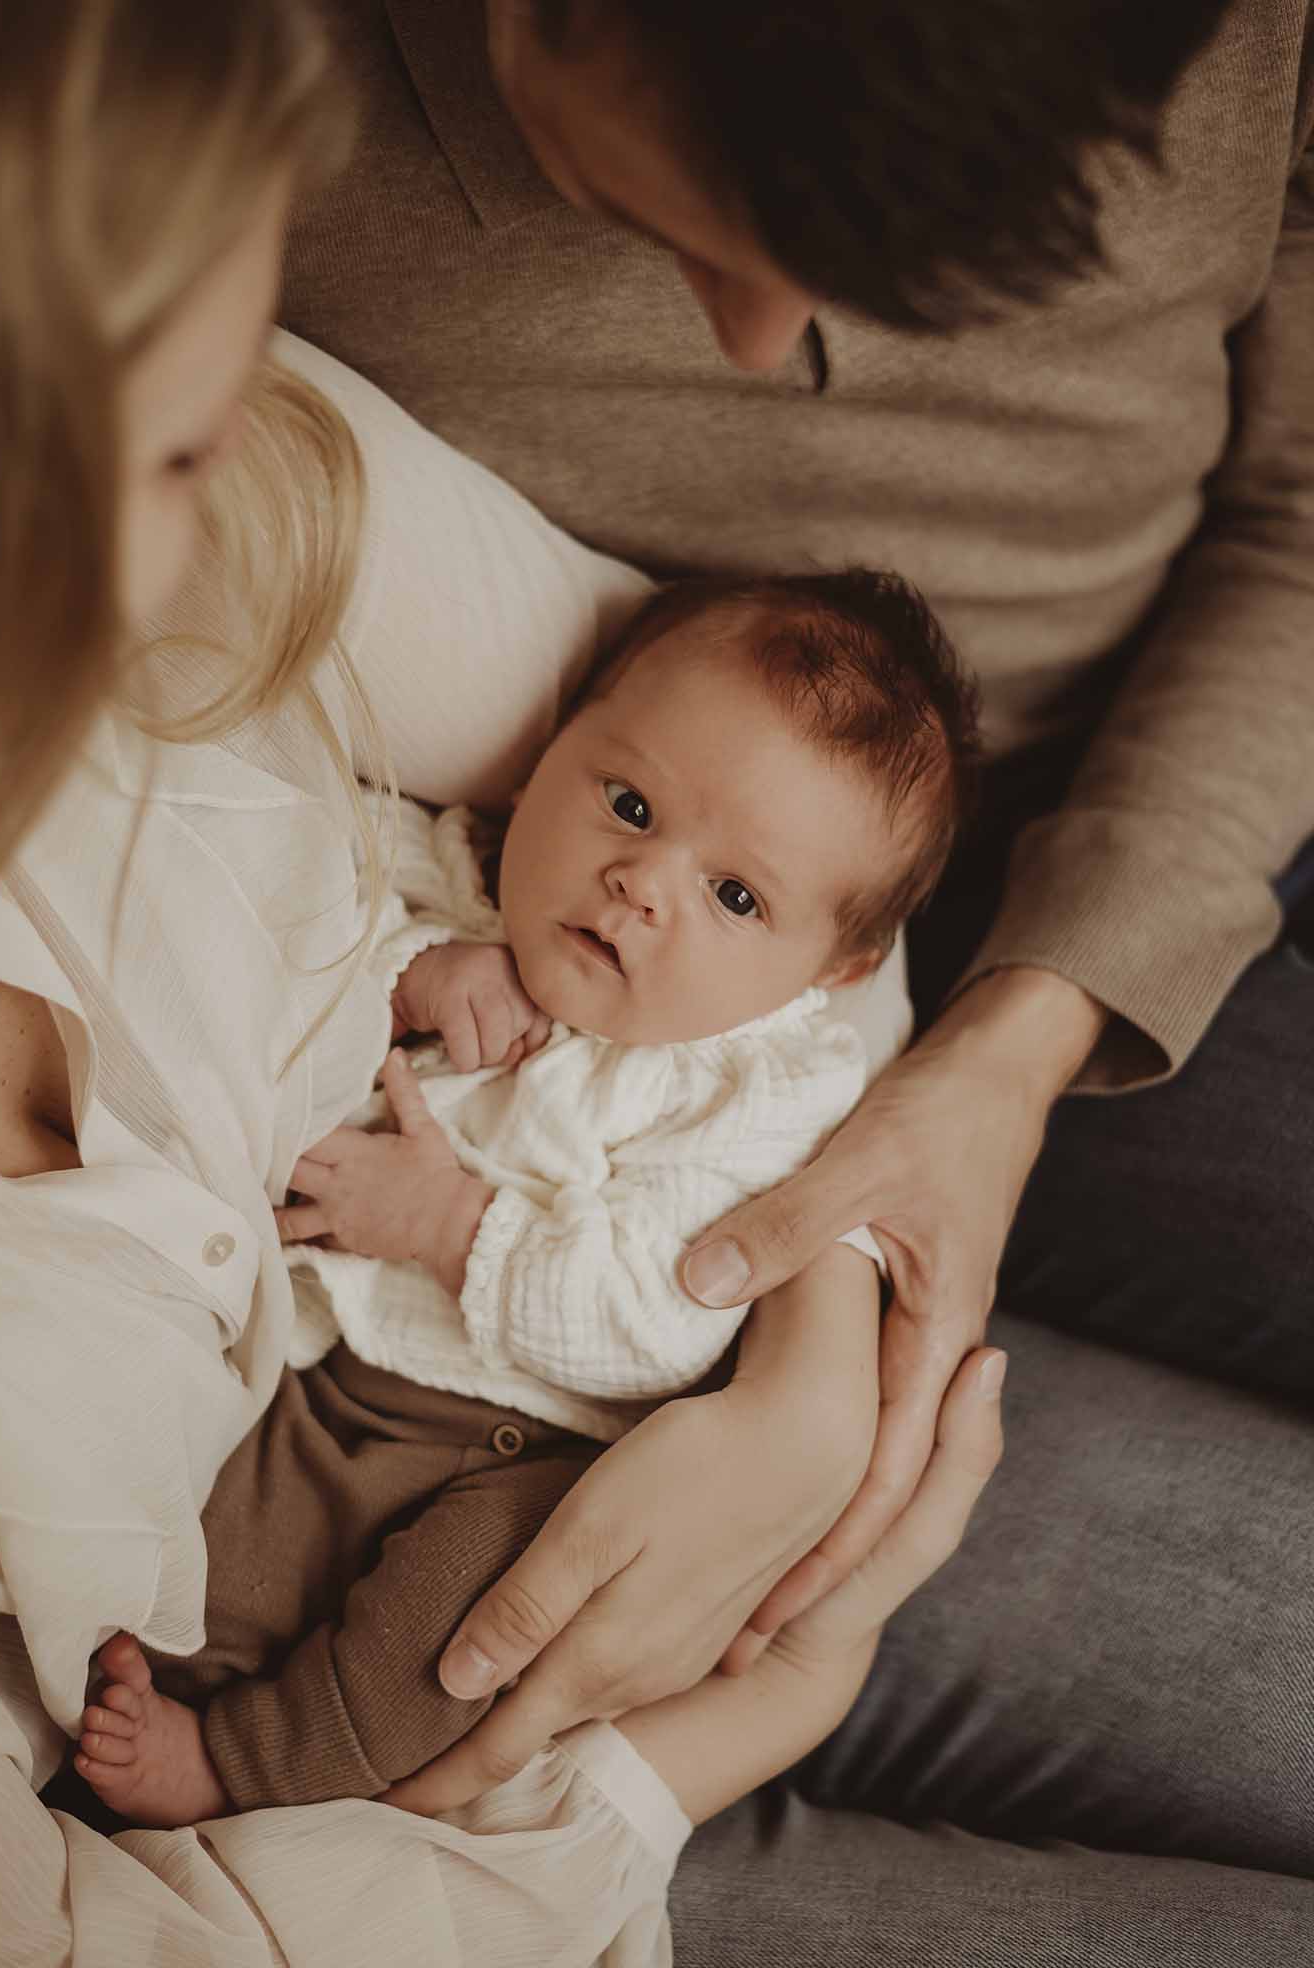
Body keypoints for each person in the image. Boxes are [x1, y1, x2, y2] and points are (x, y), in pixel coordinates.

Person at [0, 5, 1003, 1961]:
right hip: (461, 1809)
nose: (243, 480)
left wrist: (811, 1346)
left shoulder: (264, 528)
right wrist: (751, 1725)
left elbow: (808, 859)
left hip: (594, 1465)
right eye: (173, 437)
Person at [274, 0, 1314, 1957]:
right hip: (690, 987)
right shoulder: (172, 75)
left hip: (1142, 821)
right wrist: (809, 1328)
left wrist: (1019, 1038)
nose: (769, 348)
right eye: (634, 206)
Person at [71, 566, 980, 1830]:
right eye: (628, 801)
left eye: (736, 896)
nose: (643, 881)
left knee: (478, 1603)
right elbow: (256, 973)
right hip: (297, 1365)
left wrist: (451, 1228)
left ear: (834, 969)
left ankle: (249, 1766)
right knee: (161, 1499)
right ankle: (110, 1663)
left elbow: (661, 1320)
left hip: (500, 1451)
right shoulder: (434, 876)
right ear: (550, 749)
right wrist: (407, 981)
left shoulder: (763, 1091)